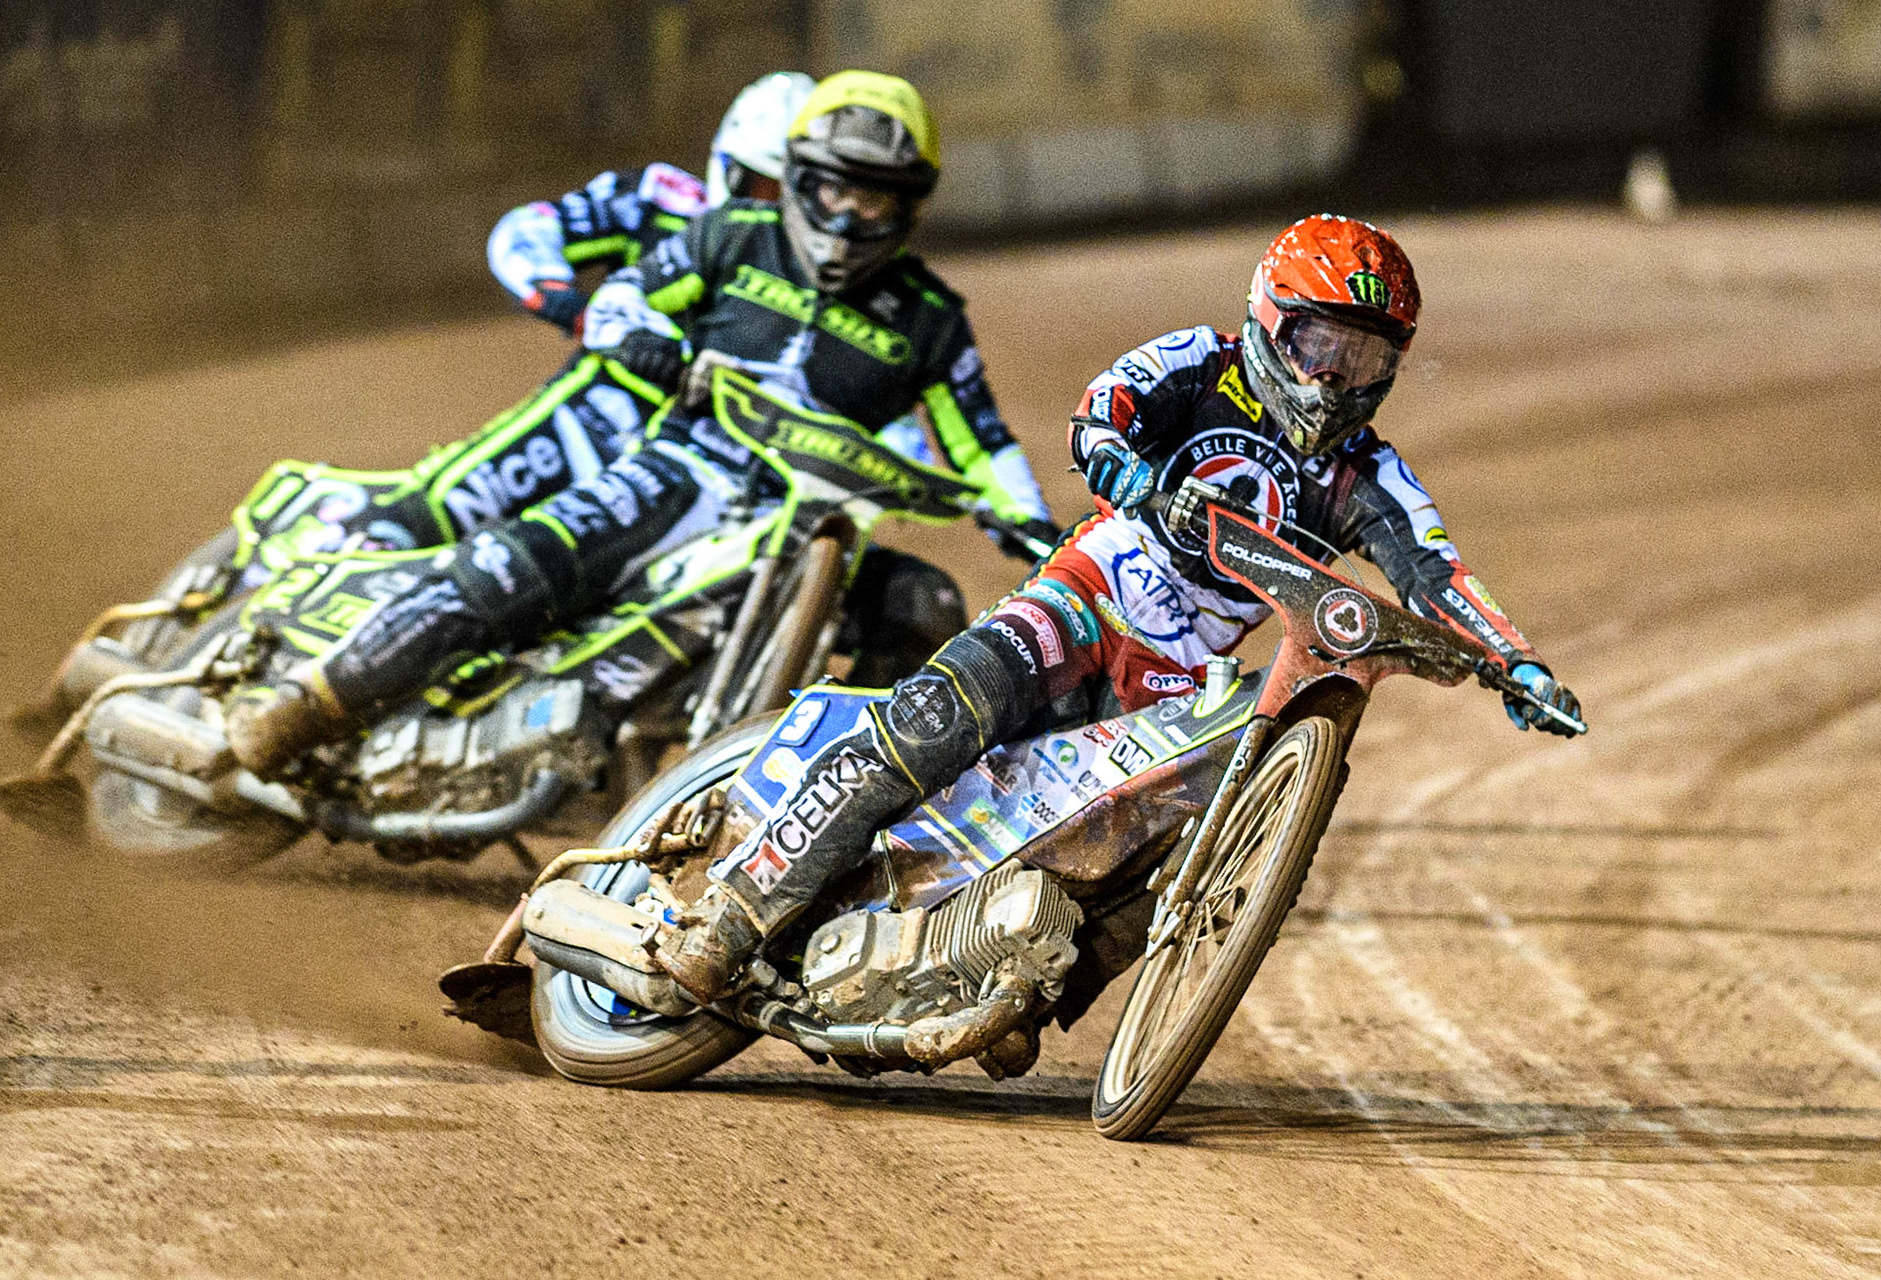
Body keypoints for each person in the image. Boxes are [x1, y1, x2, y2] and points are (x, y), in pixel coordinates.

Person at [635, 213, 1585, 1007]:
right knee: (939, 715)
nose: (1335, 375)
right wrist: (1135, 479)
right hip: (1089, 594)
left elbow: (1434, 570)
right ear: (1269, 320)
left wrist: (1520, 663)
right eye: (1318, 344)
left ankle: (1014, 990)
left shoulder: (1369, 473)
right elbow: (1100, 413)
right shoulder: (1197, 362)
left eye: (1364, 354)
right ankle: (731, 916)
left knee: (1154, 860)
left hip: (1180, 683)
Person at [225, 71, 1057, 778]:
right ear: (797, 177)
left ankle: (849, 795)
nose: (846, 219)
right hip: (683, 469)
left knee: (925, 602)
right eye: (832, 188)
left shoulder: (931, 318)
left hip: (813, 525)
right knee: (510, 559)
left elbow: (980, 439)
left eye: (872, 200)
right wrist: (640, 338)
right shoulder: (726, 235)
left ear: (908, 207)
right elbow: (626, 292)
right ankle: (309, 705)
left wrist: (1029, 526)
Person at [488, 71, 816, 338]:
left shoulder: (832, 267)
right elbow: (525, 228)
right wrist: (559, 295)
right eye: (762, 187)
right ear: (728, 164)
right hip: (622, 400)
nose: (766, 207)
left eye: (787, 196)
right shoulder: (658, 201)